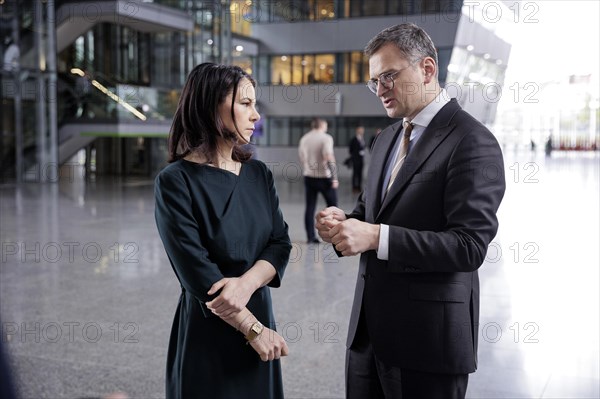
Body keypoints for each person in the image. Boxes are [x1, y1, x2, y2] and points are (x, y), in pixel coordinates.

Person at [315, 23, 506, 398]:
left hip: (428, 343)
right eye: (374, 81)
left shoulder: (472, 141)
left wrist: (376, 236)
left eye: (389, 76)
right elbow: (369, 213)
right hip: (367, 337)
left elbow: (468, 247)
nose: (380, 89)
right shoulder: (385, 138)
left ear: (428, 69)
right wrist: (343, 225)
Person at [154, 63, 292, 399]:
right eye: (245, 104)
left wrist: (245, 286)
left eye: (254, 105)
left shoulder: (259, 174)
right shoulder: (175, 181)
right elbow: (197, 272)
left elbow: (280, 245)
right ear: (210, 105)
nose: (255, 115)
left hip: (258, 314)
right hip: (210, 327)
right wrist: (252, 329)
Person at [298, 118, 338, 244]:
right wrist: (334, 177)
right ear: (322, 125)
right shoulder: (326, 138)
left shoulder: (304, 138)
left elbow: (302, 158)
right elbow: (328, 156)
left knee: (310, 207)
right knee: (333, 207)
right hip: (324, 178)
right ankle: (335, 235)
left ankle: (310, 237)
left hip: (309, 177)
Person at [349, 126, 366, 193]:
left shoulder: (362, 139)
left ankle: (359, 187)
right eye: (361, 130)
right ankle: (354, 187)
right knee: (355, 174)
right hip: (355, 160)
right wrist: (357, 153)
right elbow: (350, 150)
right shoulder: (353, 140)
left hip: (361, 159)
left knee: (360, 174)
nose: (362, 132)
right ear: (357, 131)